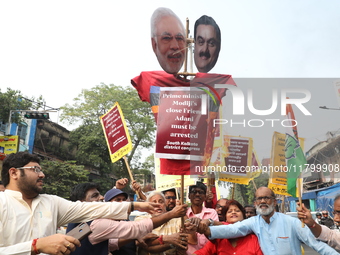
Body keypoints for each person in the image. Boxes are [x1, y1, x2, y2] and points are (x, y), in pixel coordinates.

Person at [0, 152, 158, 255]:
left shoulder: (51, 202)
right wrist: (36, 246)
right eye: (35, 169)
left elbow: (90, 209)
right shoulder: (2, 203)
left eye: (40, 170)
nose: (42, 174)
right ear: (14, 173)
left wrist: (134, 206)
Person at [194, 187, 338, 255]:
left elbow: (317, 245)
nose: (263, 201)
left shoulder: (292, 222)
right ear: (255, 203)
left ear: (274, 202)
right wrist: (206, 228)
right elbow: (233, 229)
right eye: (259, 199)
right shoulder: (254, 222)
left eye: (266, 198)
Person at [67, 185, 188, 255]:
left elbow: (110, 244)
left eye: (123, 199)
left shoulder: (80, 221)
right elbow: (137, 228)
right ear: (81, 203)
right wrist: (172, 214)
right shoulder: (95, 224)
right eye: (95, 196)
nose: (101, 198)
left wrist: (135, 237)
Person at [193, 199, 263, 255]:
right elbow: (202, 252)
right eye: (229, 211)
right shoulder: (218, 240)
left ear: (244, 217)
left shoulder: (254, 239)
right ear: (225, 218)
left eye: (237, 211)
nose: (233, 212)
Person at [186, 182, 218, 254]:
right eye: (194, 192)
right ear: (189, 196)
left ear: (205, 196)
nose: (197, 194)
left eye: (201, 192)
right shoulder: (183, 213)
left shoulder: (212, 213)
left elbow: (215, 233)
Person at [151, 7, 186, 74]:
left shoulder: (198, 83)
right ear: (154, 45)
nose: (175, 46)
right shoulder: (147, 83)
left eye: (179, 38)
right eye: (167, 38)